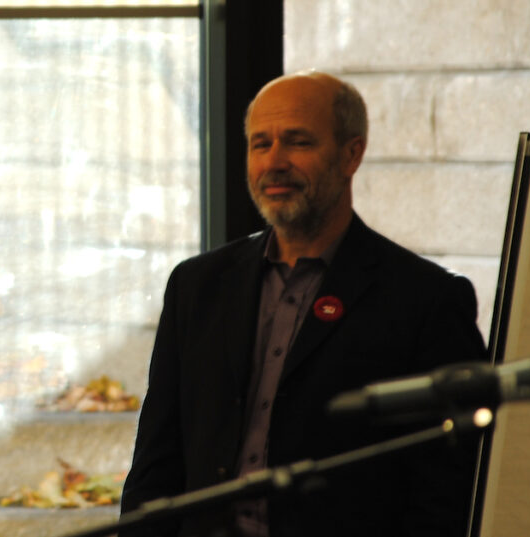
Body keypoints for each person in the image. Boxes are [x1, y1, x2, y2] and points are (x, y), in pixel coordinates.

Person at [120, 71, 487, 537]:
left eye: (298, 142)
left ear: (352, 154)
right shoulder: (196, 286)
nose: (274, 162)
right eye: (260, 144)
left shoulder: (425, 300)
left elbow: (447, 490)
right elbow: (155, 466)